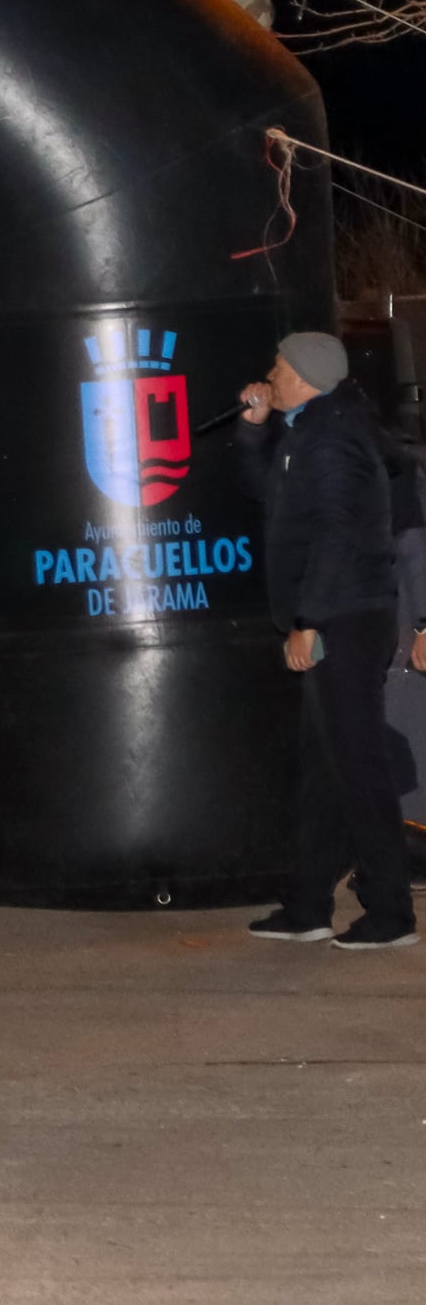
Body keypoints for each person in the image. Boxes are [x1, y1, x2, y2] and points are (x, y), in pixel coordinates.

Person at [238, 331, 418, 950]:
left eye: (279, 365)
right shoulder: (311, 429)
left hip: (344, 616)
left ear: (306, 377)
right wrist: (258, 428)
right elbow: (270, 497)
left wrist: (309, 620)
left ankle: (391, 911)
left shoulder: (333, 438)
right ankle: (309, 904)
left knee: (357, 763)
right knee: (323, 765)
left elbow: (340, 536)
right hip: (338, 611)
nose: (270, 372)